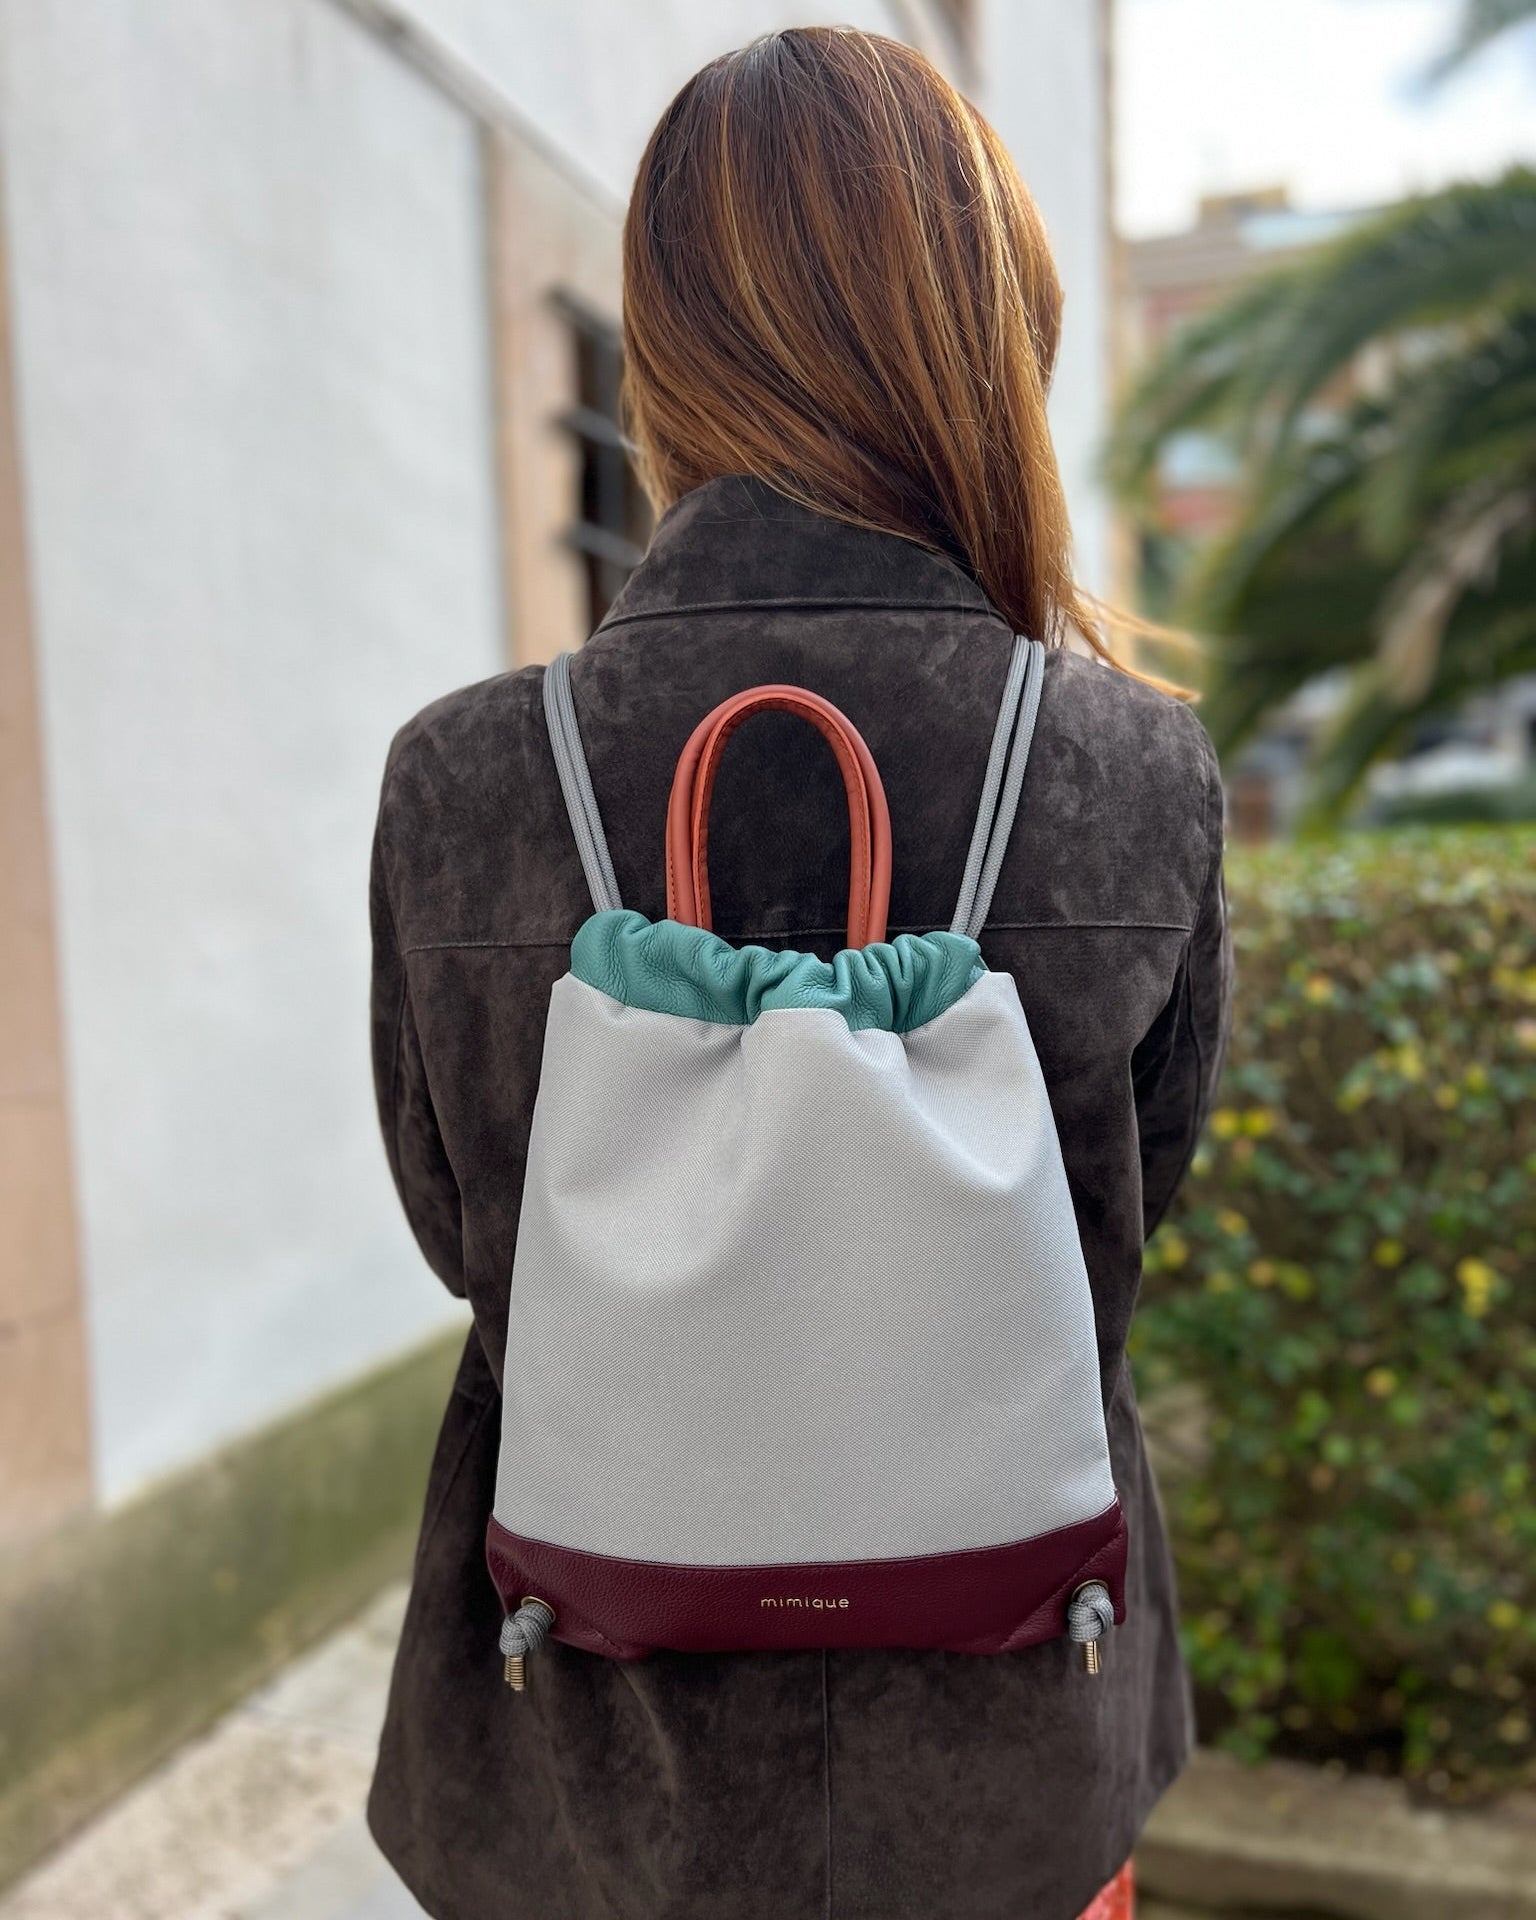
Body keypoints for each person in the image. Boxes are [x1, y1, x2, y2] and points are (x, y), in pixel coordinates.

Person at [367, 28, 1231, 1920]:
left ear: (667, 340)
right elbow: (1118, 1220)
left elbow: (463, 1228)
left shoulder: (465, 779)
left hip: (586, 1760)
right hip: (1012, 1738)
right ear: (987, 331)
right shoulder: (1125, 766)